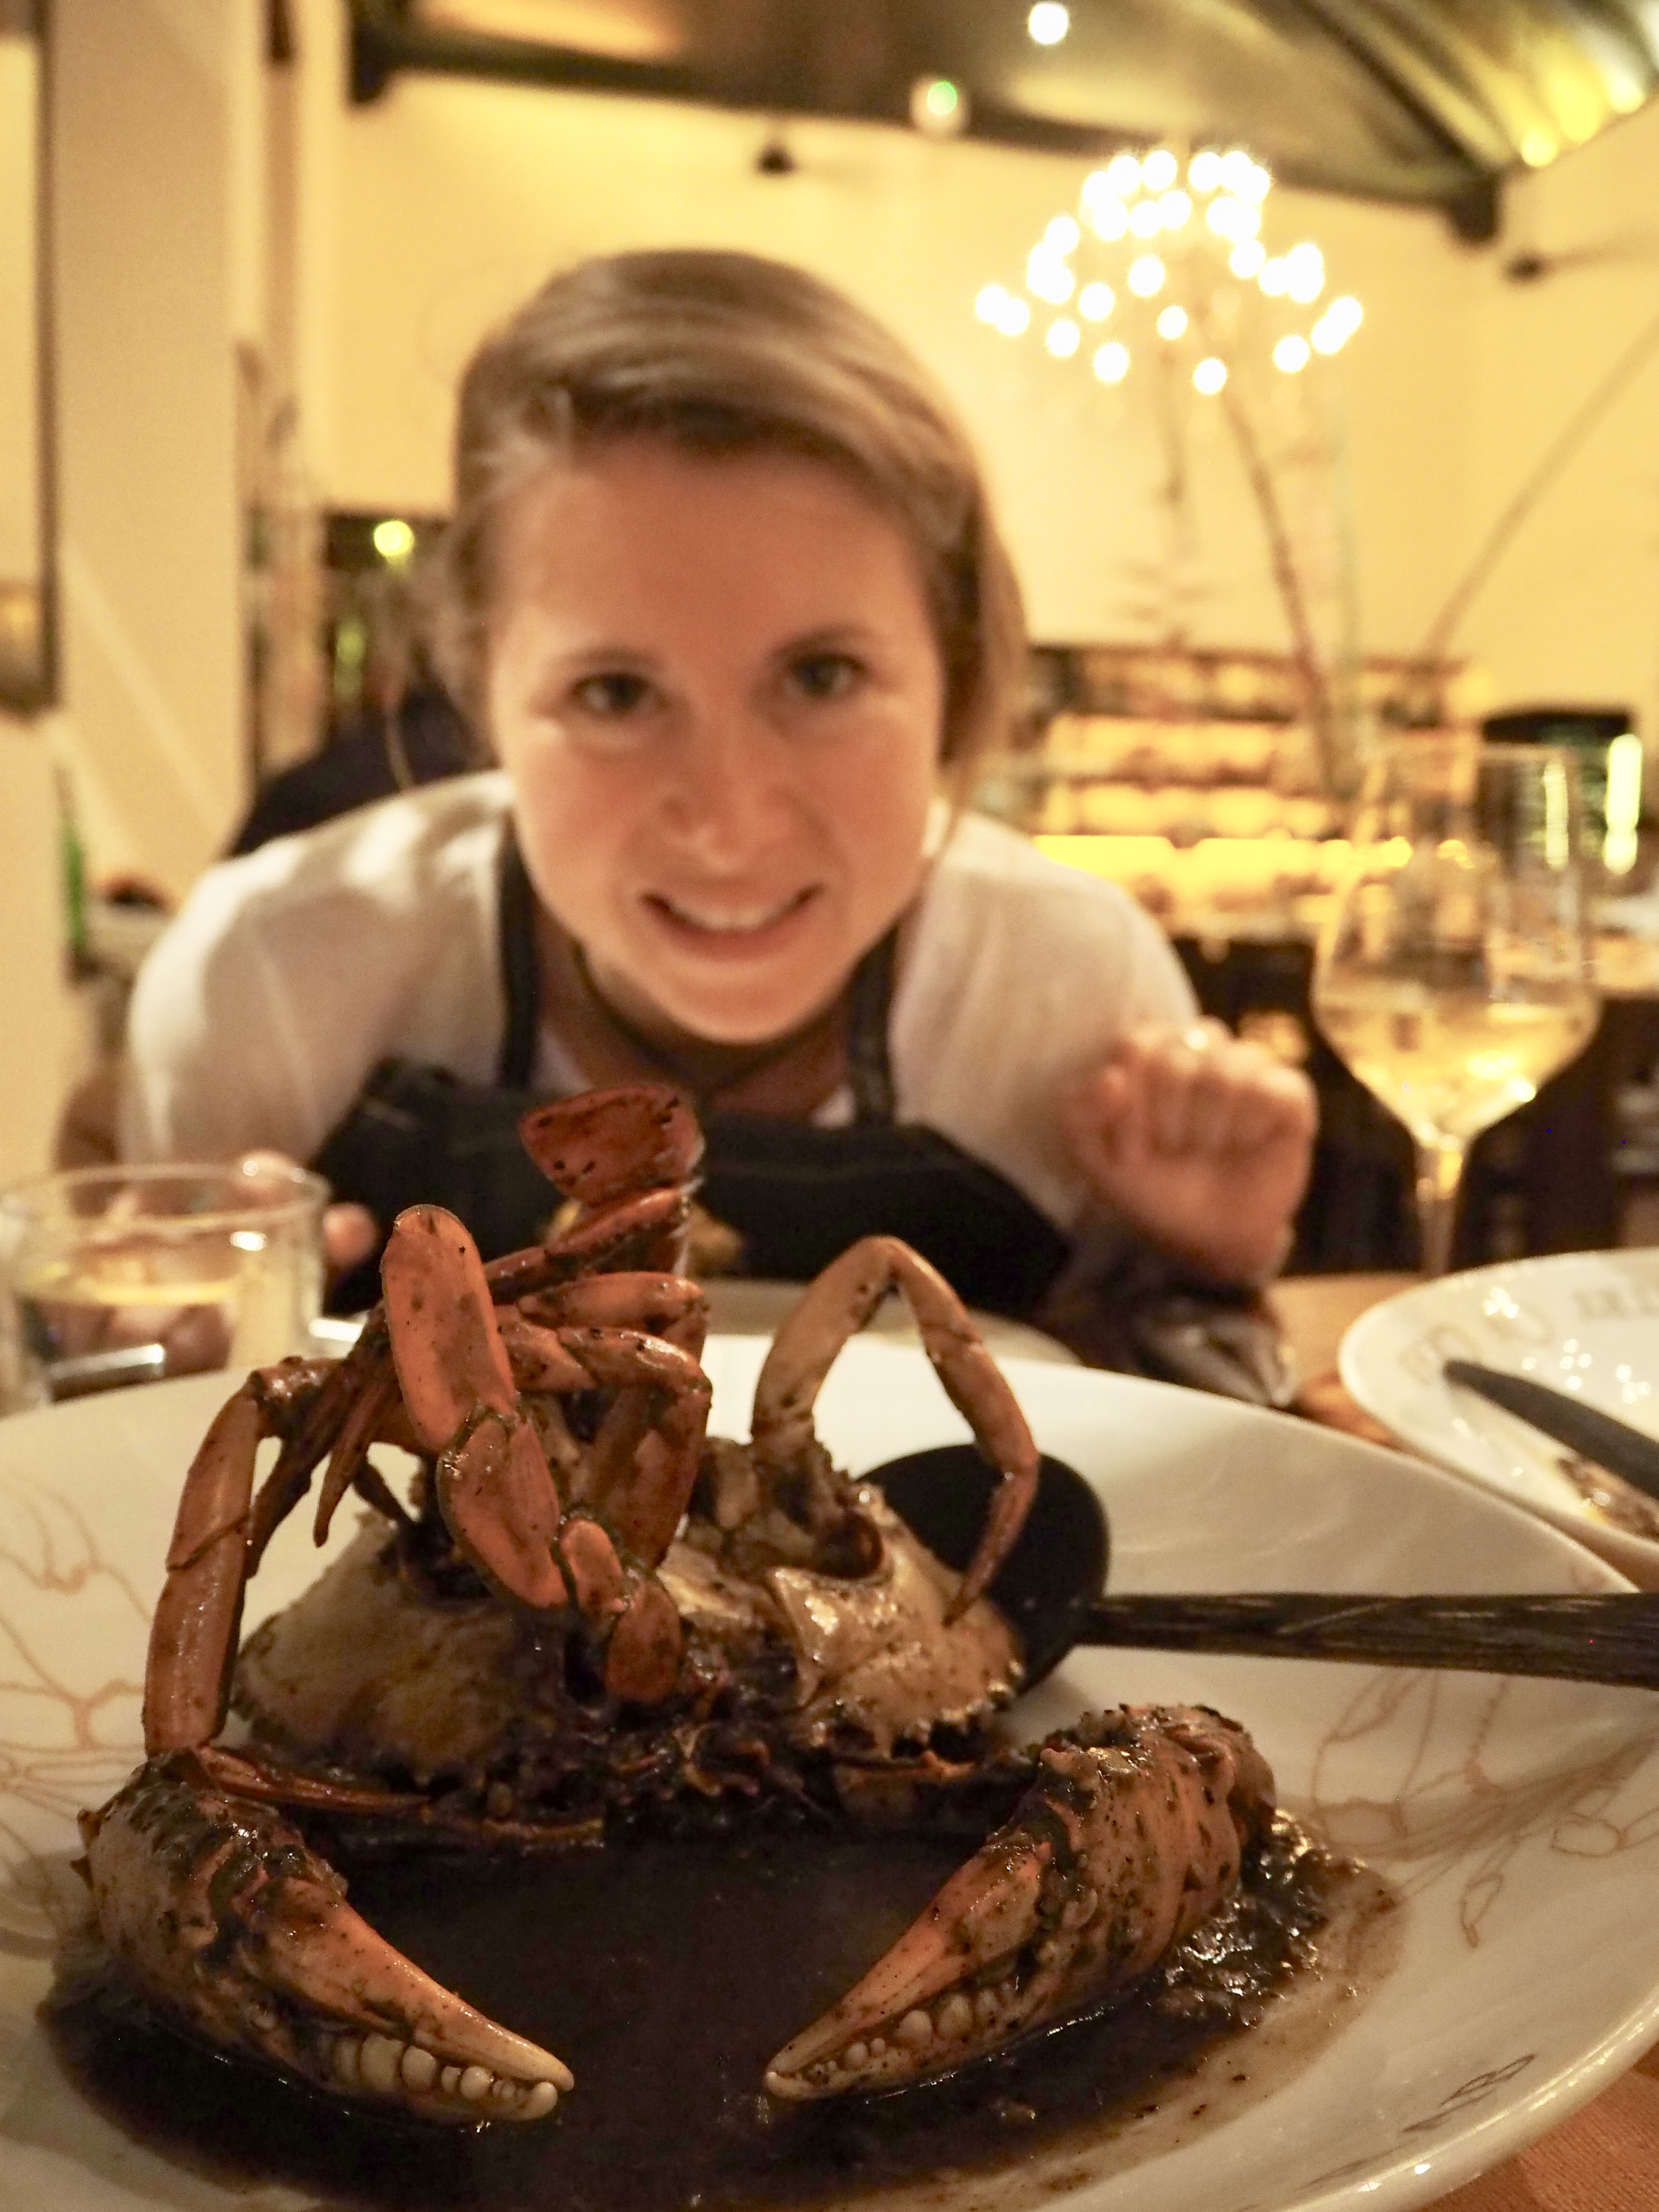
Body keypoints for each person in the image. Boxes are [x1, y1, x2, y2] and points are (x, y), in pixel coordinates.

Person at [120, 249, 1315, 1357]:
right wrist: (151, 1350)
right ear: (482, 692)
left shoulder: (1079, 995)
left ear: (954, 677)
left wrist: (1205, 1264)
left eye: (822, 678)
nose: (730, 823)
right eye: (615, 693)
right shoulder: (270, 986)